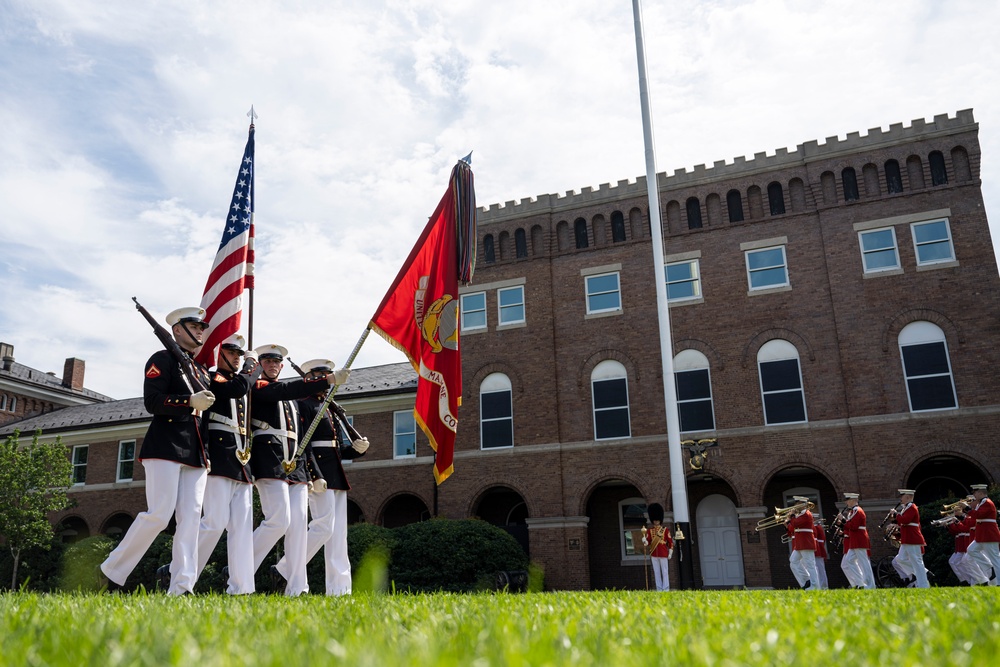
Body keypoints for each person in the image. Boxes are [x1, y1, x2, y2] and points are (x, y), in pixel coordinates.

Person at [100, 306, 215, 595]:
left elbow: (206, 418)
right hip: (165, 444)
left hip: (196, 450)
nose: (201, 330)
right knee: (160, 514)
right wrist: (188, 401)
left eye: (203, 326)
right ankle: (111, 570)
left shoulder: (200, 370)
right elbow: (152, 401)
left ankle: (182, 585)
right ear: (177, 330)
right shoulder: (162, 359)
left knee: (190, 519)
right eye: (195, 325)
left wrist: (208, 453)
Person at [249, 344, 348, 596]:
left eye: (276, 362)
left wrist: (313, 473)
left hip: (297, 466)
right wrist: (326, 381)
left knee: (298, 529)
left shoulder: (291, 401)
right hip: (270, 459)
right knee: (279, 521)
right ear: (260, 364)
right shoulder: (261, 388)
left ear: (281, 366)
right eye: (267, 361)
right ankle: (241, 566)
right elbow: (284, 389)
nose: (272, 365)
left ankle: (297, 587)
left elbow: (301, 440)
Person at [274, 359, 369, 595]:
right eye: (320, 376)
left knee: (338, 535)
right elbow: (304, 445)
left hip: (334, 474)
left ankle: (340, 589)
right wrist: (314, 474)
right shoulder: (302, 404)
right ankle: (285, 568)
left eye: (327, 376)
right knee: (323, 526)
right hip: (318, 475)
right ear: (308, 378)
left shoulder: (327, 407)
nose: (325, 381)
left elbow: (334, 449)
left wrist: (356, 451)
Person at [194, 334, 261, 595]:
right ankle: (180, 572)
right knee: (214, 521)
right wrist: (252, 365)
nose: (237, 357)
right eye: (232, 352)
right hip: (219, 457)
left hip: (241, 459)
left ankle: (241, 587)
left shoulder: (241, 381)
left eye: (240, 354)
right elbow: (236, 389)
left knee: (243, 527)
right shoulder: (215, 379)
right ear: (219, 354)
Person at [961, 484, 999, 586]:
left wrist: (967, 508)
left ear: (981, 493)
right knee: (971, 550)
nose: (974, 494)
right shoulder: (981, 503)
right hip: (982, 535)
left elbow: (979, 515)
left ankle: (998, 582)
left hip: (989, 535)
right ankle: (989, 569)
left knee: (995, 559)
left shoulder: (987, 502)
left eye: (975, 492)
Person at [891, 489, 930, 588]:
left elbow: (905, 520)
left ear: (907, 497)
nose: (900, 498)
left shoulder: (912, 507)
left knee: (917, 561)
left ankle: (923, 584)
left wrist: (896, 514)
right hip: (907, 538)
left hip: (913, 538)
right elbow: (902, 522)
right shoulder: (906, 507)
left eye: (902, 496)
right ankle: (924, 572)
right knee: (900, 559)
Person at [839, 493, 876, 589]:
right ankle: (860, 583)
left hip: (859, 538)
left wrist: (843, 520)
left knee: (864, 563)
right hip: (855, 539)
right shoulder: (853, 511)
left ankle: (870, 585)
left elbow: (853, 526)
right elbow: (850, 526)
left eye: (848, 500)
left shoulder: (857, 510)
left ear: (853, 500)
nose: (846, 502)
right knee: (849, 560)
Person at [785, 496, 819, 590]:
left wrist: (791, 516)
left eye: (797, 503)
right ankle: (807, 580)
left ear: (803, 504)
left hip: (806, 542)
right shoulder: (799, 514)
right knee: (793, 561)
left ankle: (815, 586)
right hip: (800, 543)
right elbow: (793, 527)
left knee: (810, 565)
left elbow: (795, 523)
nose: (795, 506)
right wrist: (788, 522)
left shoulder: (807, 514)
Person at [641, 503, 674, 591]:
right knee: (656, 572)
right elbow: (648, 543)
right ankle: (659, 588)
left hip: (663, 553)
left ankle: (666, 588)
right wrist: (644, 540)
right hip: (654, 553)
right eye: (654, 520)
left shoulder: (665, 530)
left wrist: (670, 553)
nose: (656, 521)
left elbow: (670, 543)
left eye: (657, 520)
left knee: (665, 572)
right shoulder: (649, 530)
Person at [812, 517, 829, 590]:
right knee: (818, 569)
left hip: (818, 551)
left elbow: (821, 541)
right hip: (817, 551)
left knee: (820, 570)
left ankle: (823, 587)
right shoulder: (816, 527)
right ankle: (821, 586)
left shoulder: (817, 527)